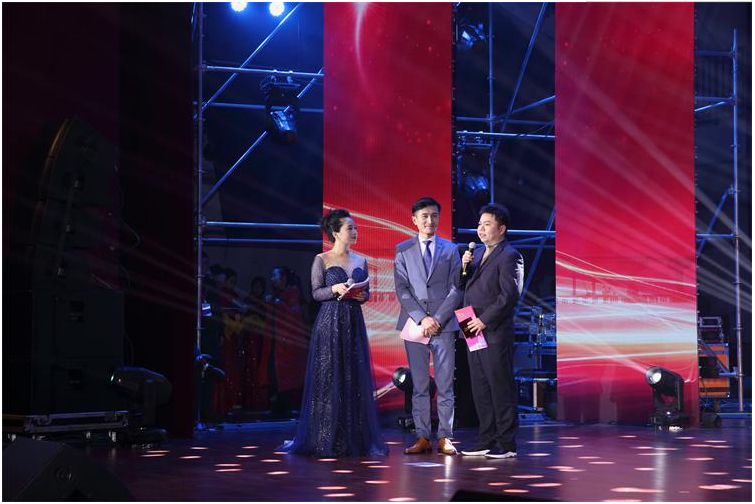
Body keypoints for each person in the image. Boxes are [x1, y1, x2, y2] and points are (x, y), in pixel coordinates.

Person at [281, 208, 387, 457]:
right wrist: (334, 289)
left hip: (353, 321)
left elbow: (366, 293)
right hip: (329, 322)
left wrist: (361, 295)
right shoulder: (322, 259)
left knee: (353, 376)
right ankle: (325, 437)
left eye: (355, 227)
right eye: (350, 228)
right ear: (336, 232)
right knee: (329, 377)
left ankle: (354, 438)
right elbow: (316, 293)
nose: (355, 231)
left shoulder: (361, 261)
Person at [394, 197, 462, 456]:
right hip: (415, 325)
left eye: (434, 215)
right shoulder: (403, 249)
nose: (429, 220)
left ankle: (445, 437)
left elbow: (457, 288)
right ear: (414, 219)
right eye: (424, 216)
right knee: (419, 385)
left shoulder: (451, 250)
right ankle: (422, 436)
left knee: (445, 385)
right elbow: (402, 289)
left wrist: (439, 318)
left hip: (444, 326)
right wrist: (423, 318)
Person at [457, 203, 523, 459]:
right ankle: (486, 439)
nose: (481, 229)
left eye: (487, 224)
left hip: (492, 329)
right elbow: (462, 286)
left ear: (501, 228)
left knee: (499, 385)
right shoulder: (477, 255)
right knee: (480, 386)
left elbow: (509, 295)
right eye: (479, 224)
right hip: (470, 324)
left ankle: (507, 443)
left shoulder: (510, 255)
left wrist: (484, 320)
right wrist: (464, 267)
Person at [266, 266, 307, 417]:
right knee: (276, 373)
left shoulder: (292, 292)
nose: (272, 279)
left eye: (274, 276)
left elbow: (294, 315)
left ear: (283, 278)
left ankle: (284, 407)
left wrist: (276, 302)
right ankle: (278, 406)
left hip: (288, 343)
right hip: (278, 341)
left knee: (286, 375)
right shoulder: (279, 294)